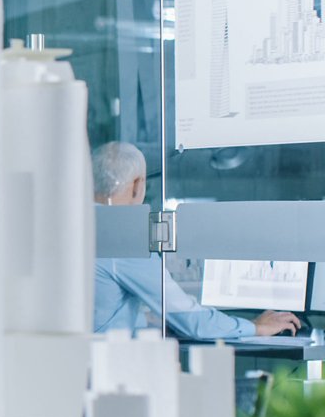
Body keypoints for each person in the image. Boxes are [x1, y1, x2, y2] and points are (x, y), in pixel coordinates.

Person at [91, 141, 301, 339]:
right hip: (98, 365)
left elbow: (98, 312)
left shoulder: (75, 228)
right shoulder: (124, 241)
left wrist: (146, 320)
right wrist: (256, 327)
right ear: (137, 186)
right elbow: (194, 323)